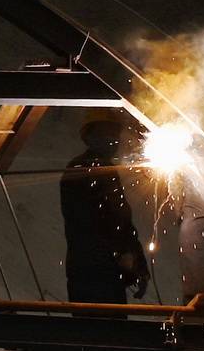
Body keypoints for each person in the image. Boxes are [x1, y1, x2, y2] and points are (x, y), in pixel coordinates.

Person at [61, 114, 152, 300]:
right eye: (107, 133)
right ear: (91, 136)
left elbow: (121, 221)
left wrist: (138, 266)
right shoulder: (83, 170)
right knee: (102, 325)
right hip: (93, 272)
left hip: (98, 271)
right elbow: (98, 222)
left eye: (114, 133)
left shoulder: (104, 170)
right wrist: (123, 256)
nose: (113, 139)